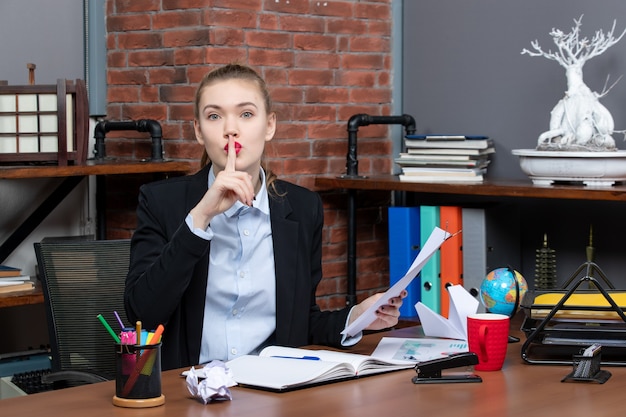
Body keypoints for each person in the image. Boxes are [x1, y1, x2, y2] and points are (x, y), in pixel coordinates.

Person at [124, 63, 406, 371]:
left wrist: (356, 318)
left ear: (269, 125)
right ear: (198, 131)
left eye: (246, 114)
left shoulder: (302, 208)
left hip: (273, 386)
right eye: (214, 116)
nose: (230, 129)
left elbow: (301, 323)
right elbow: (143, 315)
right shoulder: (161, 202)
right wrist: (200, 218)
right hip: (190, 389)